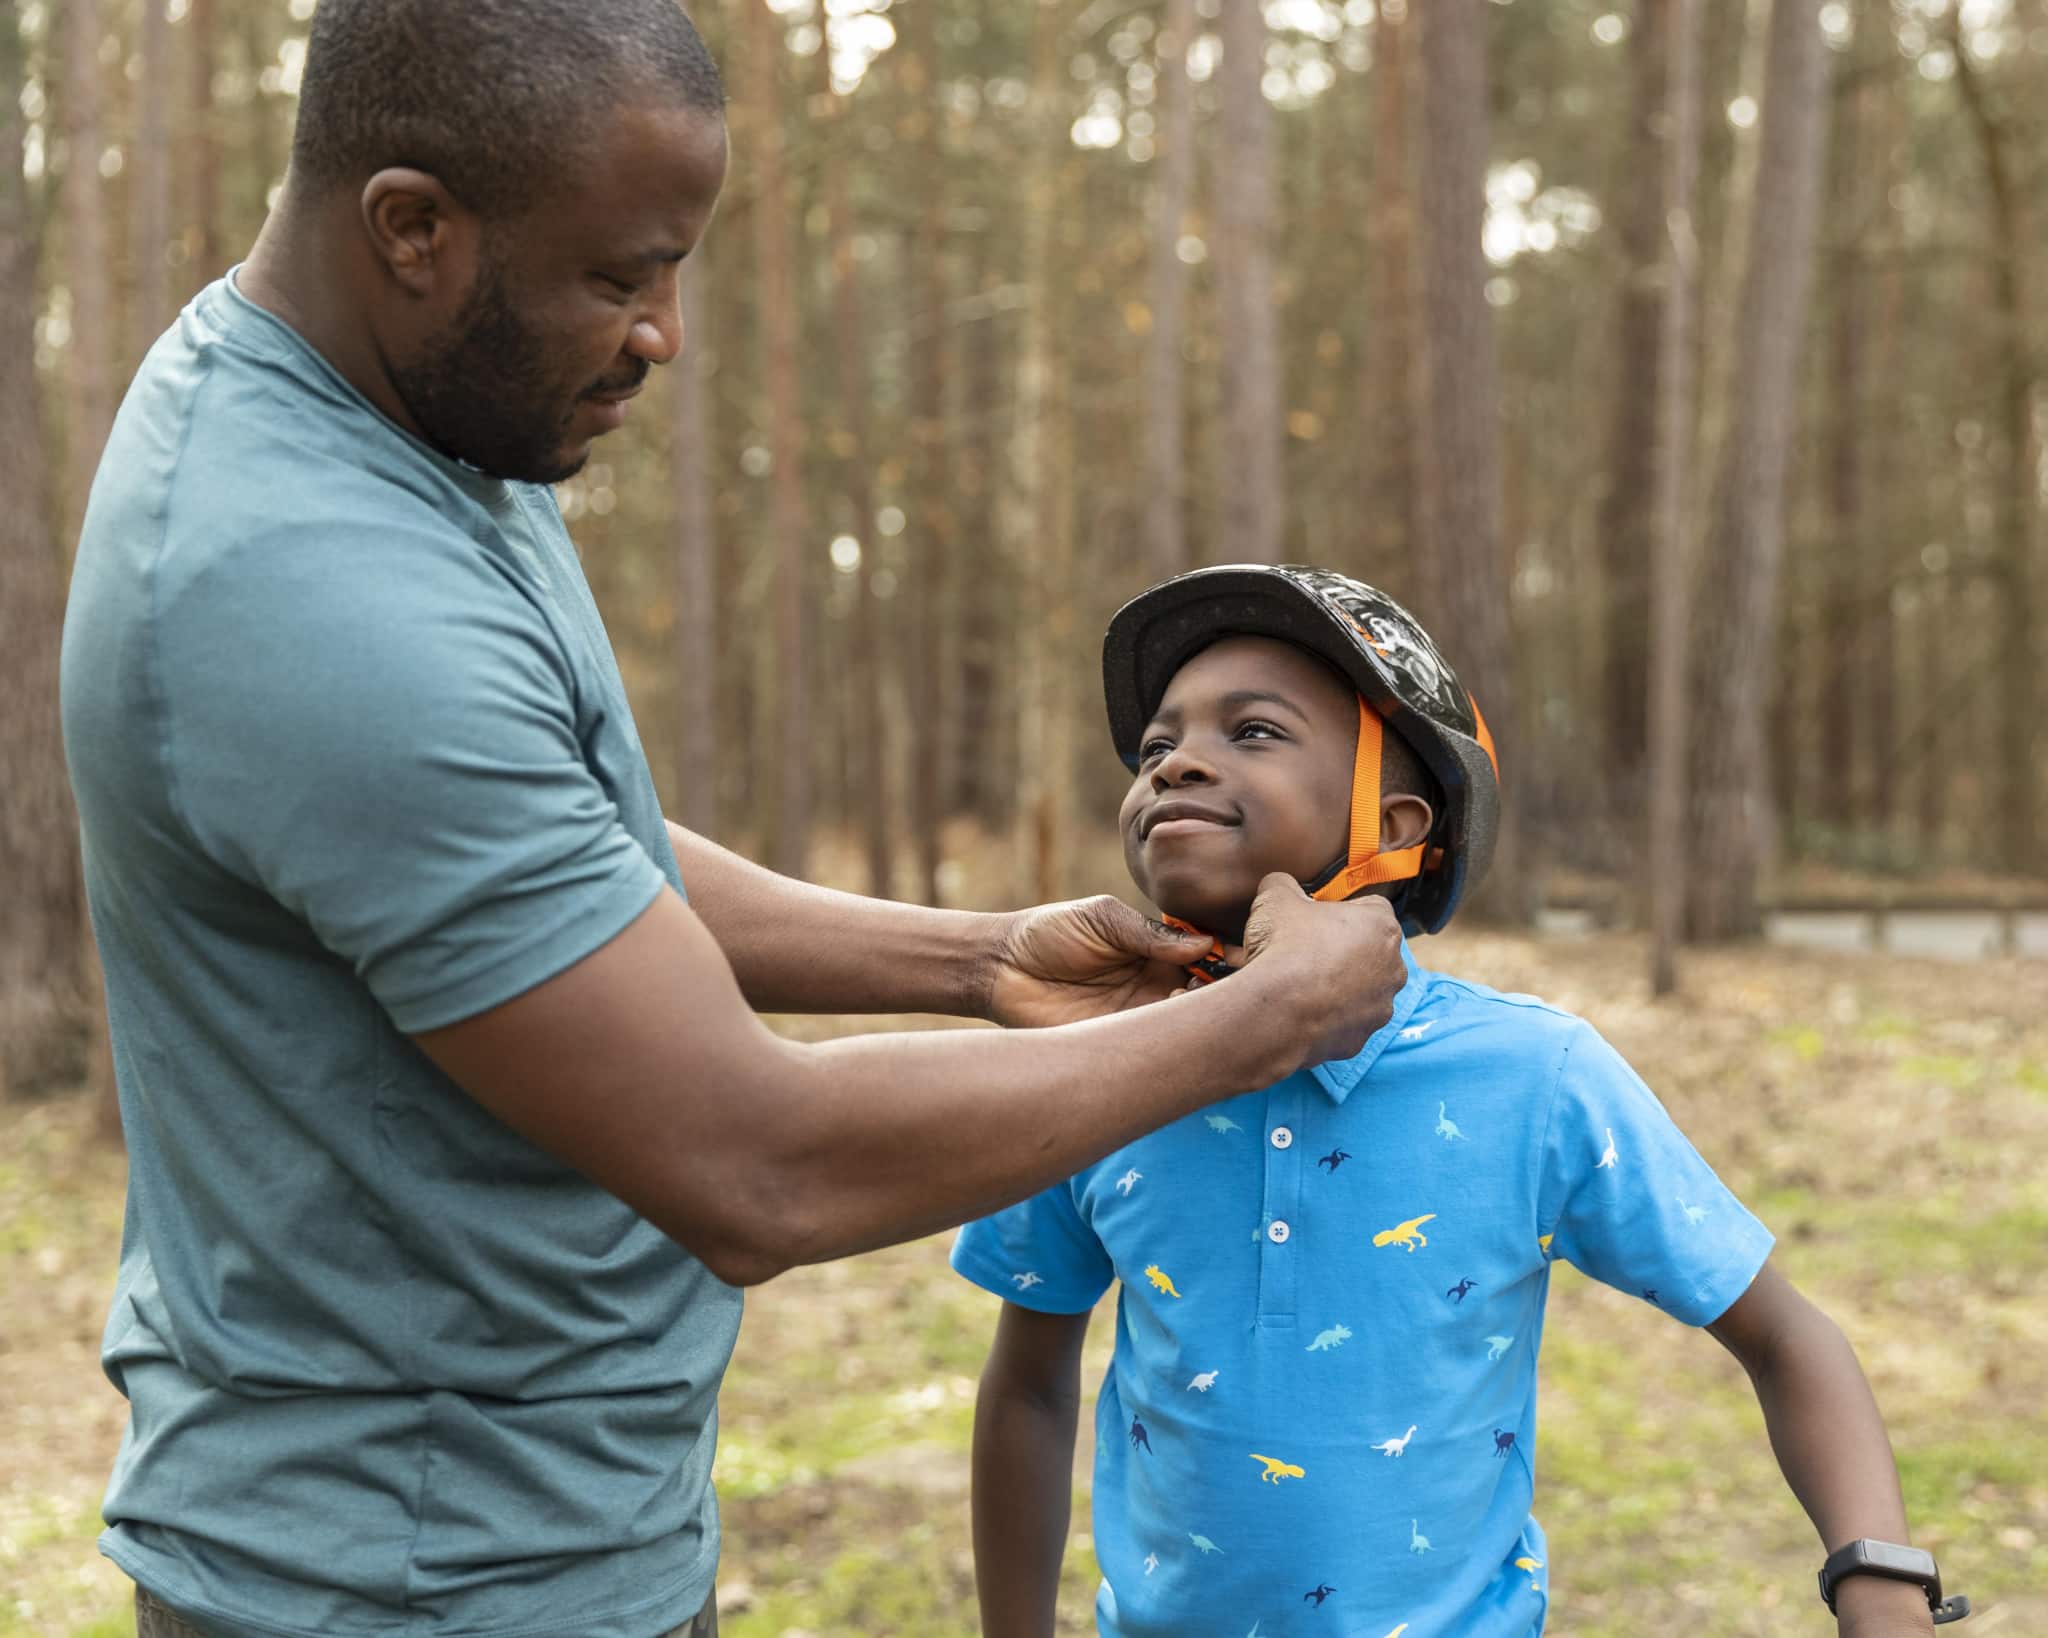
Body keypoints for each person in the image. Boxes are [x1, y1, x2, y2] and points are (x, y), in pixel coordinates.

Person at [56, 7, 1409, 1637]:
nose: (661, 336)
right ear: (412, 229)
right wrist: (1262, 1018)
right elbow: (755, 1166)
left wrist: (976, 956)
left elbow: (552, 847)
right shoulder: (308, 588)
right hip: (408, 1579)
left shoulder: (408, 418)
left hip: (523, 1526)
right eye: (619, 276)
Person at [953, 566, 1965, 1638]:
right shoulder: (1093, 1072)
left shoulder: (1531, 1077)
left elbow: (1783, 1337)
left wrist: (1880, 1587)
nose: (1178, 763)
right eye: (1156, 747)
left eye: (1252, 731)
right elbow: (1026, 1388)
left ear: (1393, 821)